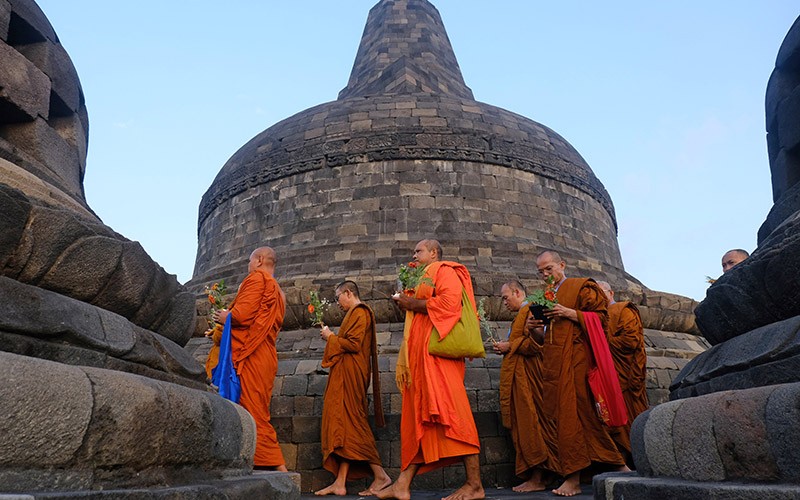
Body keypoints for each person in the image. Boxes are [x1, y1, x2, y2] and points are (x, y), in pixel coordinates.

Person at [378, 239, 484, 500]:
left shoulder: (445, 270)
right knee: (422, 417)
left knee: (454, 413)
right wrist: (405, 302)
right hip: (420, 359)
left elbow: (450, 304)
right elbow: (420, 311)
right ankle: (402, 484)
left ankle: (475, 484)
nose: (414, 255)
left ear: (434, 252)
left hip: (439, 356)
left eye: (418, 251)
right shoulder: (420, 276)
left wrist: (414, 305)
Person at [534, 250, 627, 497]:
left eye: (549, 269)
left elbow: (602, 318)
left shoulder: (581, 287)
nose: (546, 275)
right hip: (556, 366)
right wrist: (535, 329)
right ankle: (619, 465)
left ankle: (573, 479)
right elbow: (548, 337)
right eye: (541, 271)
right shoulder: (547, 297)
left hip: (577, 362)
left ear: (562, 264)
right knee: (582, 416)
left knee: (572, 416)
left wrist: (569, 313)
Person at [315, 281, 392, 496]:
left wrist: (331, 337)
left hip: (352, 376)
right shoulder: (353, 314)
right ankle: (340, 482)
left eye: (338, 296)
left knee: (354, 423)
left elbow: (353, 344)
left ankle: (381, 475)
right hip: (345, 374)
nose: (337, 302)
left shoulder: (360, 312)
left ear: (348, 293)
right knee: (345, 426)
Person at [214, 247, 287, 471]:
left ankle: (278, 467)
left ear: (259, 260)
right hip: (265, 355)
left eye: (249, 261)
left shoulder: (257, 279)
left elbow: (242, 315)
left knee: (252, 411)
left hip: (251, 356)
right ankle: (270, 466)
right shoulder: (280, 293)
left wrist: (226, 316)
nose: (248, 266)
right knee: (259, 410)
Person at [494, 280, 550, 492]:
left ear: (517, 292)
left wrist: (510, 346)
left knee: (531, 423)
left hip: (531, 375)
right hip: (522, 374)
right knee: (526, 423)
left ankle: (537, 479)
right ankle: (540, 477)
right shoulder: (521, 316)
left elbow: (538, 344)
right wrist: (507, 347)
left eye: (505, 297)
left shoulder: (532, 310)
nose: (504, 303)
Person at [596, 281, 649, 465]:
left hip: (625, 376)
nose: (597, 297)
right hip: (606, 377)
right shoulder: (597, 318)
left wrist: (600, 339)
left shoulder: (622, 310)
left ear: (610, 293)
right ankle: (620, 459)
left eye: (600, 292)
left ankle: (638, 457)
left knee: (629, 416)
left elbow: (630, 341)